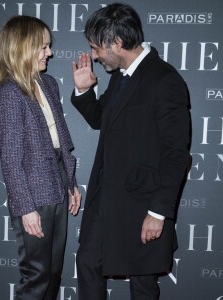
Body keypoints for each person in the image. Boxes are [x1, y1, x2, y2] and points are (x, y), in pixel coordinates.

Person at [71, 3, 191, 300]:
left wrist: (158, 212)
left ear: (117, 43)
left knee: (142, 285)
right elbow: (102, 120)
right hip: (107, 200)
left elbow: (177, 154)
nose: (95, 56)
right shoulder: (119, 77)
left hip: (143, 203)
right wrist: (85, 92)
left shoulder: (165, 80)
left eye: (96, 48)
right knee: (87, 263)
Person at [0, 15, 81, 300]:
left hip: (57, 185)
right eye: (43, 47)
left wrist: (71, 184)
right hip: (32, 194)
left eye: (48, 46)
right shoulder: (9, 93)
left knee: (54, 274)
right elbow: (11, 158)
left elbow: (61, 142)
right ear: (23, 48)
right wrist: (25, 208)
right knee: (37, 277)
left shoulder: (49, 84)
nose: (50, 53)